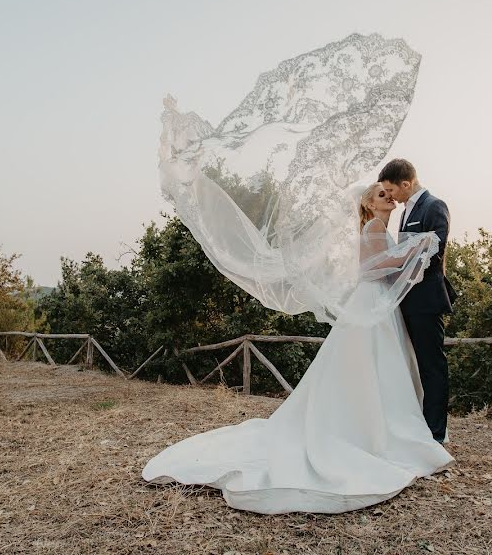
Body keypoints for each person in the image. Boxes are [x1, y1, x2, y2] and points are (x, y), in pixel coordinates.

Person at [142, 183, 453, 514]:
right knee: (372, 364)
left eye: (389, 194)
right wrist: (413, 249)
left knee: (374, 365)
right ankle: (373, 428)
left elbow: (384, 267)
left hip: (377, 306)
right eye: (381, 195)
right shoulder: (374, 226)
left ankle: (376, 422)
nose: (389, 198)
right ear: (368, 204)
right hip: (371, 303)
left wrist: (412, 253)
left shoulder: (375, 226)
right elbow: (372, 268)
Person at [379, 159, 455, 444]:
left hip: (425, 298)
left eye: (391, 189)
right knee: (412, 363)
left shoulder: (435, 206)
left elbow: (434, 251)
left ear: (406, 184)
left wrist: (395, 263)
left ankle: (435, 433)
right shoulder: (405, 211)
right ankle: (416, 424)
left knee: (431, 365)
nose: (391, 196)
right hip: (406, 298)